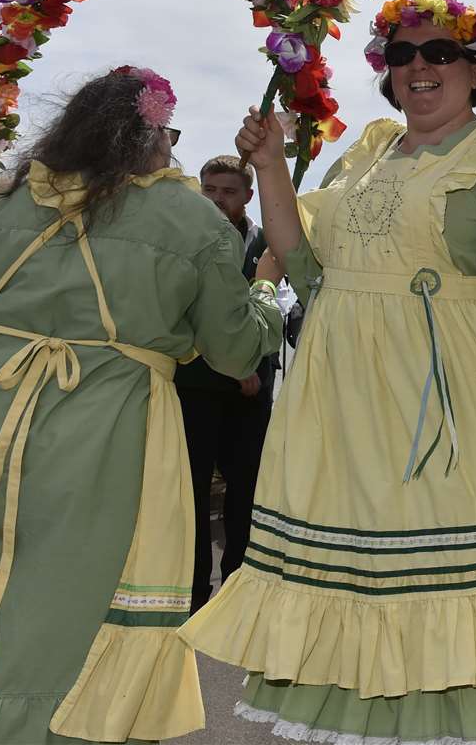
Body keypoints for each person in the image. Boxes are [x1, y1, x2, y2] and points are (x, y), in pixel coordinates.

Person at [181, 0, 476, 745]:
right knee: (355, 567)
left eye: (439, 52)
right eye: (402, 54)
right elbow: (306, 262)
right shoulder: (368, 149)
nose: (417, 67)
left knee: (433, 564)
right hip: (338, 391)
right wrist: (271, 164)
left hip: (438, 397)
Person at [0, 67, 282, 743]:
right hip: (108, 427)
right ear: (152, 134)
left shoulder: (0, 204)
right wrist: (263, 294)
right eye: (167, 133)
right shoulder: (191, 219)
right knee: (79, 587)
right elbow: (233, 352)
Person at [175, 154, 283, 612]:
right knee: (193, 493)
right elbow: (183, 309)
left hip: (251, 391)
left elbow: (276, 305)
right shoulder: (183, 238)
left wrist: (253, 369)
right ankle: (194, 593)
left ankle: (238, 593)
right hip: (197, 385)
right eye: (210, 190)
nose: (218, 200)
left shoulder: (267, 244)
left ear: (248, 197)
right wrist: (230, 365)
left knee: (247, 492)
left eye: (229, 191)